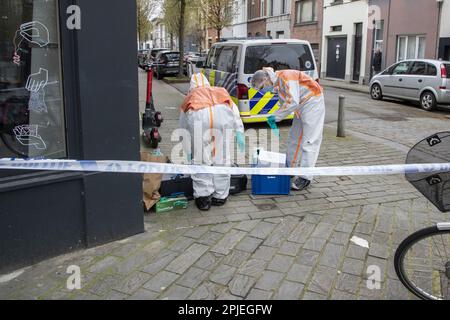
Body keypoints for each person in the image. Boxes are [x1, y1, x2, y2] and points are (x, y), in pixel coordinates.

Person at [251, 67, 325, 191]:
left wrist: (276, 116)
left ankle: (305, 177)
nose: (265, 91)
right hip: (301, 105)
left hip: (312, 102)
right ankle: (290, 168)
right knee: (294, 138)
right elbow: (285, 104)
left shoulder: (285, 77)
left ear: (266, 79)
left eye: (263, 87)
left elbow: (292, 102)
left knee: (310, 141)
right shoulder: (278, 85)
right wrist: (277, 116)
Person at [180, 73, 245, 211]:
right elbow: (235, 112)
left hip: (199, 121)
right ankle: (220, 196)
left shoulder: (191, 96)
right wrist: (239, 131)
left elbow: (183, 126)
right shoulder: (220, 91)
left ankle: (204, 198)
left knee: (201, 160)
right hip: (222, 119)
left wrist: (188, 149)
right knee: (222, 159)